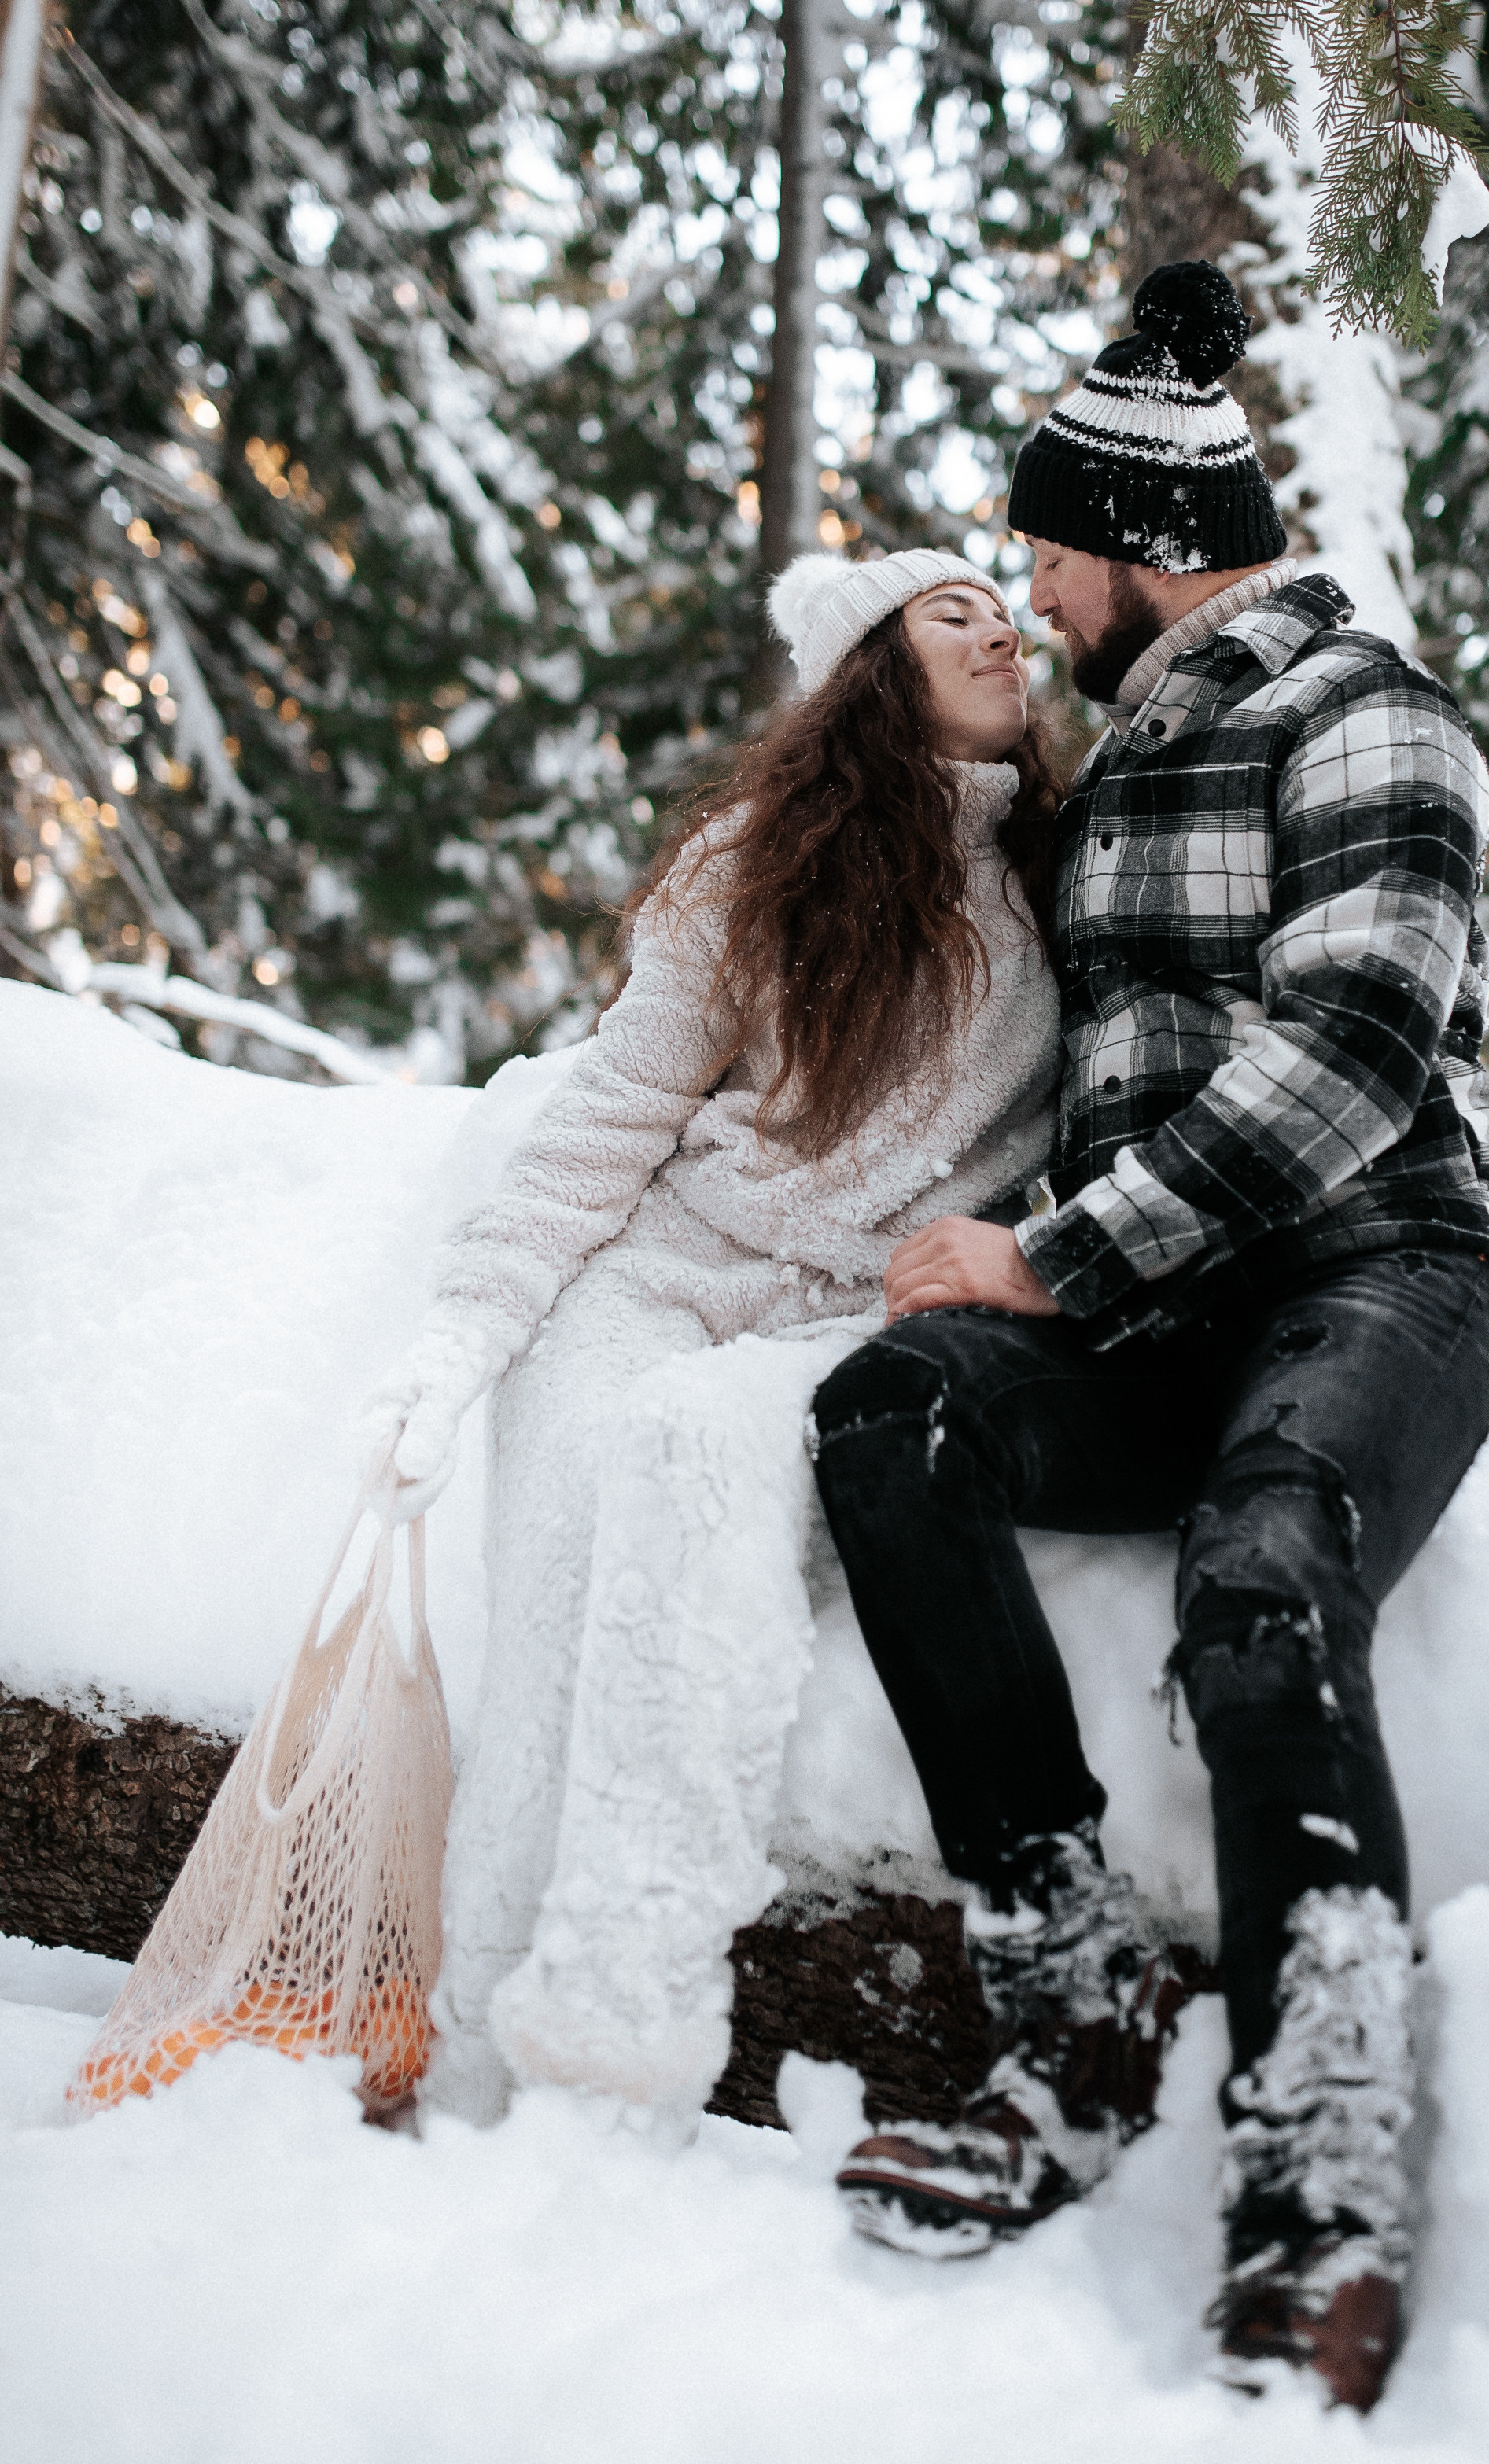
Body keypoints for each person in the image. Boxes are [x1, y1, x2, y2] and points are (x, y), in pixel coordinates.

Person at [806, 261, 1489, 2411]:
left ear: (1144, 545)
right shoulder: (1118, 767)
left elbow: (1357, 1042)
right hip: (1160, 1297)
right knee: (892, 1419)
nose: (1028, 590)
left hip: (1380, 1262)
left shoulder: (1364, 709)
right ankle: (1071, 1995)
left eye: (1043, 549)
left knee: (1265, 1560)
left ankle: (1323, 2157)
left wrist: (1053, 1255)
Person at [363, 547, 1063, 2126]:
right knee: (548, 1591)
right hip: (663, 1269)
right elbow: (615, 1109)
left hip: (848, 1316)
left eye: (1004, 610)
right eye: (951, 613)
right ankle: (469, 2054)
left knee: (687, 1531)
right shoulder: (757, 859)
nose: (997, 628)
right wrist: (465, 1333)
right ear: (866, 676)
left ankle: (612, 2054)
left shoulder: (1066, 873)